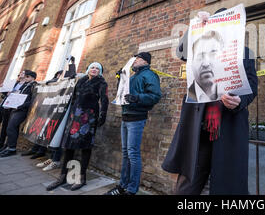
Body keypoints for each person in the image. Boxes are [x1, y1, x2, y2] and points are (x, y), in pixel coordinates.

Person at [161, 8, 258, 195]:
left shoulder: (245, 52)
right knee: (186, 186)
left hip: (227, 125)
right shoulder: (201, 46)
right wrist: (196, 27)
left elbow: (253, 86)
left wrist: (240, 100)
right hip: (198, 127)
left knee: (226, 185)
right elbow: (181, 53)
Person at [104, 52, 162, 195]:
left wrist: (137, 98)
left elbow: (155, 96)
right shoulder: (133, 75)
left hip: (137, 118)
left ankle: (131, 189)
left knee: (133, 154)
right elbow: (124, 93)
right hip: (126, 116)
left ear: (145, 61)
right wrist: (121, 78)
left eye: (138, 59)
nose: (134, 61)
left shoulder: (149, 75)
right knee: (126, 154)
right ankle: (122, 186)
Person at [46, 63, 108, 191]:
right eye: (92, 67)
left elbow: (104, 99)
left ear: (100, 72)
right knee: (69, 146)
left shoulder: (101, 83)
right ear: (88, 69)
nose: (94, 69)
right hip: (75, 116)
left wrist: (102, 115)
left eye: (97, 68)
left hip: (89, 117)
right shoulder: (81, 81)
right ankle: (63, 176)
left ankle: (82, 178)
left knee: (85, 147)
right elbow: (73, 97)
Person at [22, 70, 64, 161]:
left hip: (55, 111)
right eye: (58, 75)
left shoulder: (65, 83)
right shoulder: (53, 82)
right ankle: (34, 149)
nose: (59, 76)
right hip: (45, 109)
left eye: (61, 75)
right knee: (40, 130)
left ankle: (41, 151)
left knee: (46, 132)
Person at [0, 70, 37, 157]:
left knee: (11, 127)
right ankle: (9, 147)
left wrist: (21, 105)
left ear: (32, 78)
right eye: (26, 76)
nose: (26, 78)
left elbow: (34, 100)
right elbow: (16, 95)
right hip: (15, 108)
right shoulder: (24, 84)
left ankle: (11, 148)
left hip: (23, 109)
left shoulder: (35, 86)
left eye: (27, 76)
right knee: (11, 128)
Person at [187, 30, 224, 103]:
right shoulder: (189, 98)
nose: (206, 63)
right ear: (191, 62)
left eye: (213, 54)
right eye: (199, 56)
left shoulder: (232, 91)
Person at [0, 71, 26, 151]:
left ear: (27, 76)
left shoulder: (26, 85)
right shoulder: (14, 83)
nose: (20, 74)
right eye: (20, 73)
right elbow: (4, 95)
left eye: (23, 73)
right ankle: (1, 144)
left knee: (11, 127)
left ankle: (8, 145)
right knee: (4, 126)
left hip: (15, 108)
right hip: (7, 106)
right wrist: (3, 89)